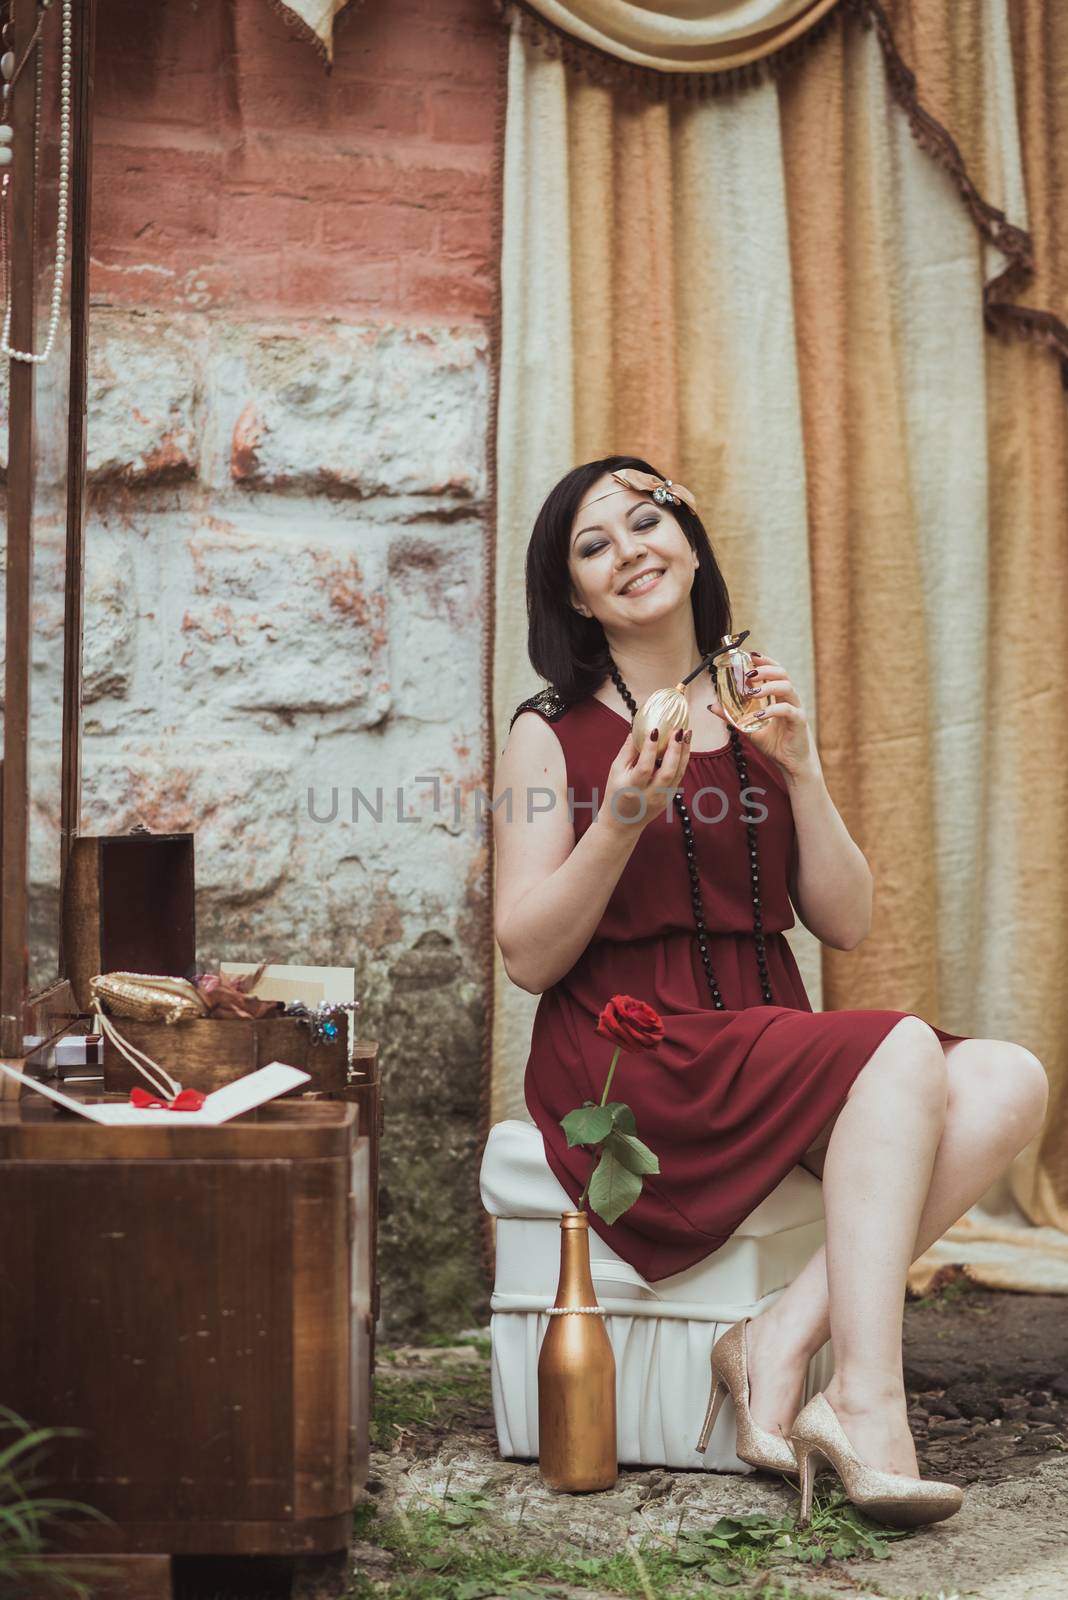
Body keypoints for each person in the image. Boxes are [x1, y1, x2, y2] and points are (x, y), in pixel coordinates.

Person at [491, 455, 1048, 1526]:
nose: (629, 551)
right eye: (593, 546)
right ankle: (866, 1405)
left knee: (1008, 1077)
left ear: (691, 544)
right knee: (897, 1048)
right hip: (632, 1050)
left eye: (646, 522)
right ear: (574, 594)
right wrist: (616, 819)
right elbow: (527, 954)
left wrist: (802, 770)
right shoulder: (545, 732)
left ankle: (779, 1335)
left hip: (759, 1031)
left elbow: (844, 919)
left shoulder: (756, 700)